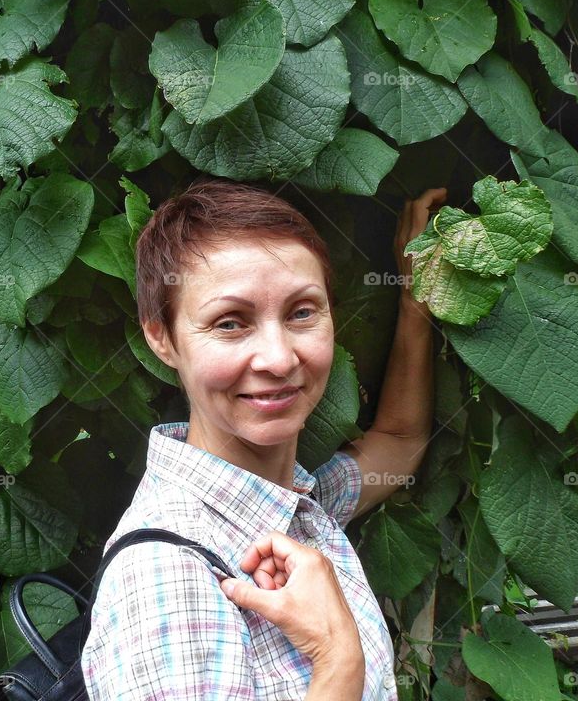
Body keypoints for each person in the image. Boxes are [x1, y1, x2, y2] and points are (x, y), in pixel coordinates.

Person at [80, 178, 444, 699]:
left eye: (301, 312)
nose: (278, 359)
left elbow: (399, 440)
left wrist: (416, 296)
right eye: (230, 323)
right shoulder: (166, 578)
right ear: (161, 337)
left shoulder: (293, 507)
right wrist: (337, 656)